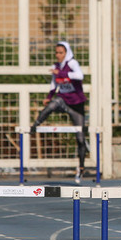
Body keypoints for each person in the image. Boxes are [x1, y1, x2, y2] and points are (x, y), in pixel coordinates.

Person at [30, 41, 88, 184]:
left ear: (66, 53)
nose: (58, 55)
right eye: (56, 52)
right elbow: (54, 84)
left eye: (61, 53)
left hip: (76, 104)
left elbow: (80, 76)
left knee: (80, 139)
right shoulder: (55, 67)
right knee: (53, 104)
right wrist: (48, 97)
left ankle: (81, 169)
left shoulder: (72, 63)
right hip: (63, 100)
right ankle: (35, 125)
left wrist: (62, 73)